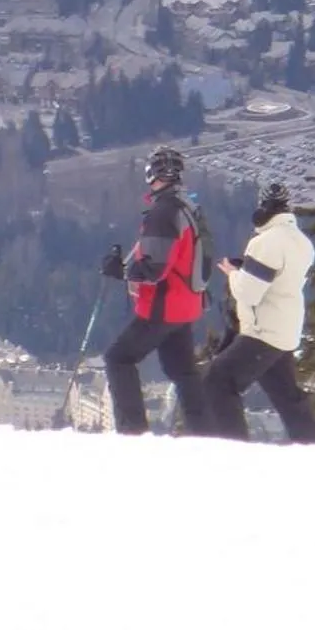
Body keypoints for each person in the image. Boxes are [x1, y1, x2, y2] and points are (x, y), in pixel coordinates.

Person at [99, 146, 211, 435]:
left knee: (118, 358)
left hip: (163, 305)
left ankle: (132, 430)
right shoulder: (187, 206)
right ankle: (205, 432)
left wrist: (120, 271)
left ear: (153, 174)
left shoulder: (163, 212)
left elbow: (154, 268)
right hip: (187, 304)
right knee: (183, 372)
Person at [203, 181, 315, 443]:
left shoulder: (266, 242)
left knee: (218, 380)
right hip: (285, 329)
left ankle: (234, 449)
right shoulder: (301, 242)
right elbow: (278, 280)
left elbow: (249, 293)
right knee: (288, 398)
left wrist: (234, 275)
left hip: (263, 331)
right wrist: (246, 270)